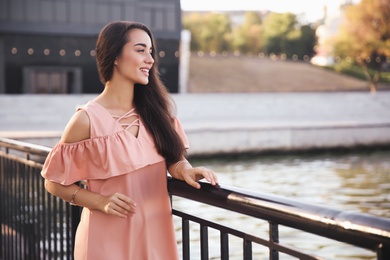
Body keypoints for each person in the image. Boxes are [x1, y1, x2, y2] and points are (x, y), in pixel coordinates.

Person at [41, 20, 218, 260]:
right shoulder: (86, 119)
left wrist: (186, 170)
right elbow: (53, 182)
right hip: (104, 239)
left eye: (151, 51)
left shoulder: (158, 115)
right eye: (140, 50)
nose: (150, 59)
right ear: (115, 55)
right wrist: (98, 201)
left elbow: (173, 161)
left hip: (156, 236)